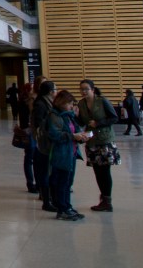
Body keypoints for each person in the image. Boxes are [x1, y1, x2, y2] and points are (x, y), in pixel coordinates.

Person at [45, 89, 89, 220]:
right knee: (62, 182)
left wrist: (80, 136)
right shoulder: (54, 116)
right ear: (62, 103)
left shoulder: (68, 115)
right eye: (69, 103)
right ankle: (62, 209)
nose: (72, 106)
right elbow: (54, 134)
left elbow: (76, 129)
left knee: (68, 181)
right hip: (61, 153)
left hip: (71, 152)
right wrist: (72, 136)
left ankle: (67, 206)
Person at [78, 79, 120, 212]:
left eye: (86, 89)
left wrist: (99, 123)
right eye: (82, 89)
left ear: (92, 89)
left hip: (105, 140)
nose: (84, 91)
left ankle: (107, 200)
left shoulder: (102, 101)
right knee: (97, 171)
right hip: (91, 141)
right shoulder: (81, 104)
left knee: (105, 171)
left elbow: (114, 118)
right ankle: (103, 199)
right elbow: (82, 121)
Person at [30, 79, 56, 212]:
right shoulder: (41, 104)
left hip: (46, 141)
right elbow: (39, 123)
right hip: (44, 143)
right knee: (45, 171)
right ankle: (46, 198)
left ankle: (49, 196)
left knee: (47, 170)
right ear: (51, 92)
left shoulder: (46, 102)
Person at [16, 82, 38, 194]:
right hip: (30, 132)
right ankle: (31, 183)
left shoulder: (22, 101)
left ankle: (31, 183)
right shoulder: (27, 102)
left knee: (29, 158)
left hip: (28, 131)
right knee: (30, 158)